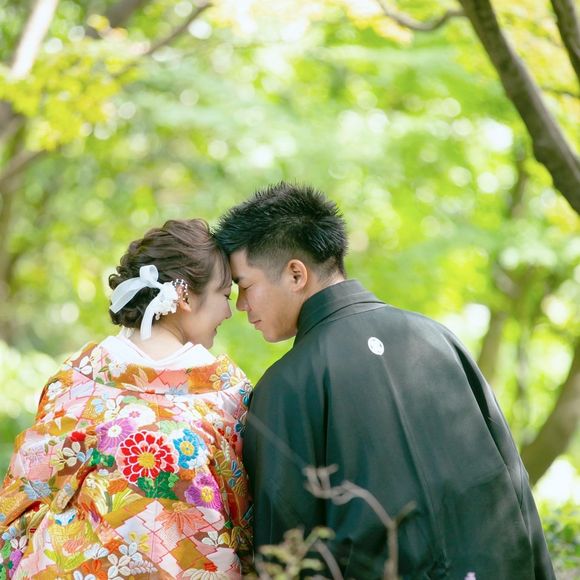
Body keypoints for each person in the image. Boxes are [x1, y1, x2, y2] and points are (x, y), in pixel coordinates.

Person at [215, 182, 555, 579]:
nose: (241, 305)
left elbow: (287, 550)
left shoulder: (286, 385)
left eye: (244, 285)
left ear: (295, 274)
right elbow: (512, 486)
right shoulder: (438, 340)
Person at [0, 219, 253, 579]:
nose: (229, 311)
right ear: (183, 296)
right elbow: (245, 509)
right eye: (223, 295)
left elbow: (26, 491)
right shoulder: (225, 393)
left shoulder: (76, 380)